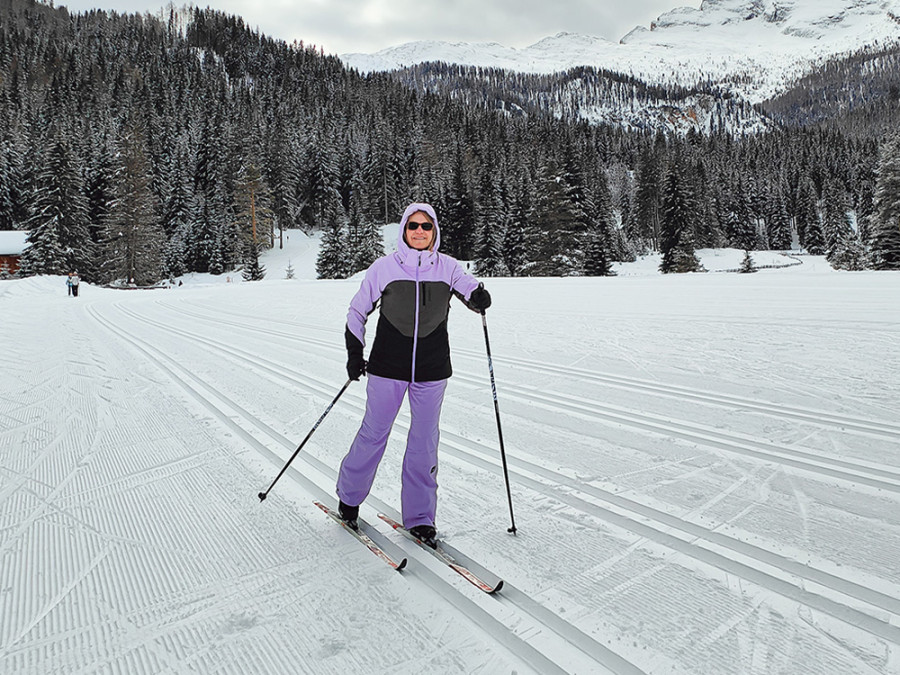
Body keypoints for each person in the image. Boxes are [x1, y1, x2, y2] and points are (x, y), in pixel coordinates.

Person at [336, 202, 492, 547]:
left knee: (424, 442)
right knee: (373, 433)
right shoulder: (384, 268)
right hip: (387, 367)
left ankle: (421, 518)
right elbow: (357, 311)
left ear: (434, 231)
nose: (419, 232)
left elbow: (469, 289)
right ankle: (349, 499)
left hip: (432, 370)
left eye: (426, 226)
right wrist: (354, 353)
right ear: (404, 230)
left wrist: (479, 296)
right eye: (413, 226)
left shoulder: (449, 267)